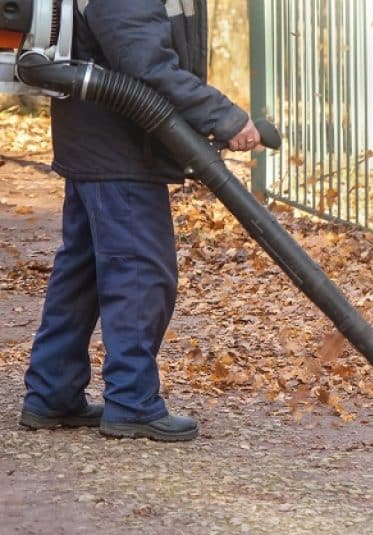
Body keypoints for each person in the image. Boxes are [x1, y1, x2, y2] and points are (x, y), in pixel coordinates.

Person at [18, 0, 260, 442]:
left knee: (83, 274)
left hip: (98, 144)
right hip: (118, 151)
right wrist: (224, 116)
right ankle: (131, 401)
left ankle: (53, 393)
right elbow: (145, 66)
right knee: (141, 274)